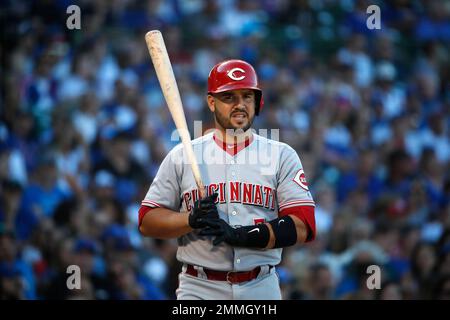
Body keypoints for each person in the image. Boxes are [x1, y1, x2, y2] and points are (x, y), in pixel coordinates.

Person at [138, 59, 316, 300]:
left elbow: (303, 225)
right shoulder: (183, 156)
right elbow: (147, 221)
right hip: (199, 287)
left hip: (260, 286)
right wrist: (190, 219)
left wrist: (241, 235)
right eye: (229, 97)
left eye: (247, 96)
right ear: (212, 102)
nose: (240, 104)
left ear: (258, 102)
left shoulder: (281, 155)